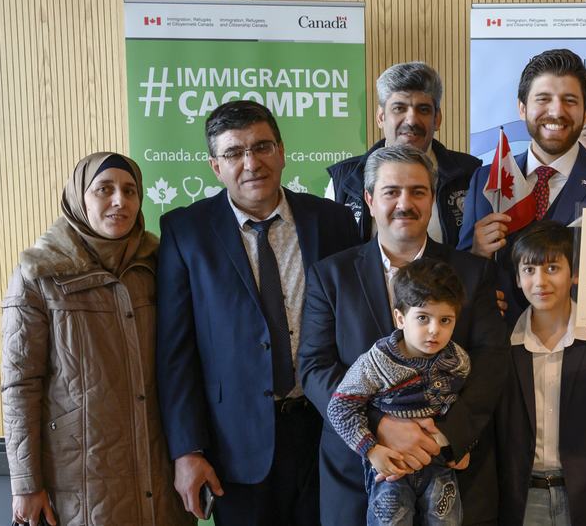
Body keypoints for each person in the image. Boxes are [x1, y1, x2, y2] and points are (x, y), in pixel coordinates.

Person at [156, 100, 361, 525]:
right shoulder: (185, 232)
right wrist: (187, 451)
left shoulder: (334, 221)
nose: (251, 163)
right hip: (235, 443)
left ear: (282, 152)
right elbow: (175, 354)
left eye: (262, 146)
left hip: (327, 430)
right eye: (234, 152)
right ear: (215, 165)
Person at [298, 144, 509, 526]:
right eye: (391, 191)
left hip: (453, 466)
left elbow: (493, 360)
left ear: (431, 199)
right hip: (358, 472)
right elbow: (314, 368)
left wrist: (444, 437)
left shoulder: (473, 273)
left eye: (418, 191)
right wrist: (380, 425)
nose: (404, 203)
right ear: (369, 199)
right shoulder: (330, 276)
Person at [1, 152, 193, 526]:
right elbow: (19, 386)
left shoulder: (159, 264)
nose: (120, 201)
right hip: (79, 480)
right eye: (104, 189)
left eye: (130, 190)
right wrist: (25, 484)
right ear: (78, 198)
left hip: (160, 470)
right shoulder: (38, 274)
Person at [458, 48, 586, 322]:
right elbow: (459, 281)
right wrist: (477, 252)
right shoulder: (486, 181)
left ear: (585, 113)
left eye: (569, 101)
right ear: (522, 108)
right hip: (500, 354)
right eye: (543, 99)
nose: (556, 111)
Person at [494, 220, 586, 525]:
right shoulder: (502, 345)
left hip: (584, 501)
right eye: (529, 270)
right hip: (521, 501)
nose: (541, 281)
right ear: (517, 279)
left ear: (574, 274)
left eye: (552, 268)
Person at [328, 258, 472, 526]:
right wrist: (371, 451)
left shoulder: (459, 361)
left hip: (439, 465)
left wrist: (462, 443)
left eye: (445, 320)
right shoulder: (377, 361)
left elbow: (460, 405)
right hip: (391, 466)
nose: (434, 330)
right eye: (422, 318)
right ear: (400, 318)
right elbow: (340, 406)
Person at [327, 61, 480, 248]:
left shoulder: (471, 175)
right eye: (399, 108)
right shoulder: (344, 180)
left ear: (437, 119)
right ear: (381, 117)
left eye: (423, 110)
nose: (411, 120)